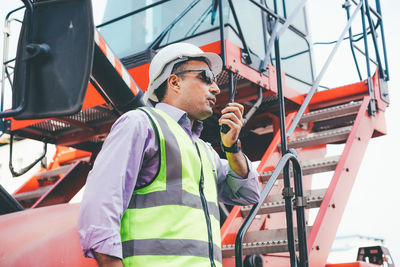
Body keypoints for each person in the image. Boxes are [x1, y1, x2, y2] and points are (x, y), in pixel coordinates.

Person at [78, 42, 260, 267]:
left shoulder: (204, 151)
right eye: (206, 77)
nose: (215, 88)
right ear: (174, 81)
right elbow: (100, 207)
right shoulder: (140, 124)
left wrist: (232, 149)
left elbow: (249, 194)